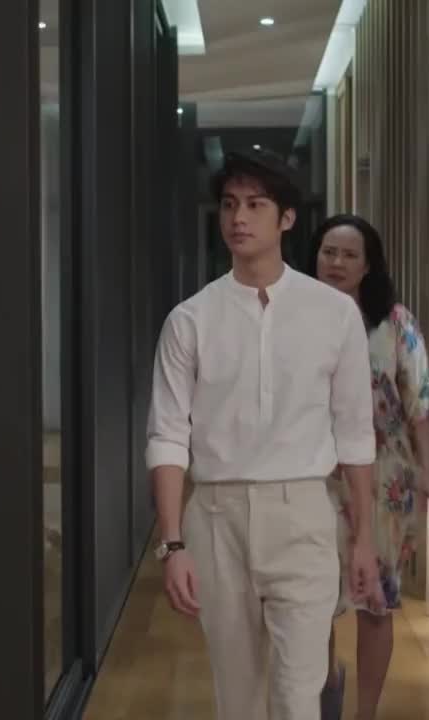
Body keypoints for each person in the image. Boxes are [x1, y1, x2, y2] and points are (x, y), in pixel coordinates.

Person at [145, 149, 384, 720]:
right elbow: (167, 436)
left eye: (255, 205)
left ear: (287, 218)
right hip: (216, 519)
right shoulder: (190, 320)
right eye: (230, 205)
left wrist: (364, 538)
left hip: (303, 514)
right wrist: (172, 544)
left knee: (299, 695)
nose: (239, 218)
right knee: (239, 699)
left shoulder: (334, 315)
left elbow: (355, 434)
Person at [310, 214, 429, 720]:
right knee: (313, 598)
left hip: (386, 479)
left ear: (368, 265)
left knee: (376, 601)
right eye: (329, 252)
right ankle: (325, 687)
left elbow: (419, 405)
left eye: (349, 255)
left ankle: (364, 713)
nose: (337, 262)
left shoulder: (394, 323)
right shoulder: (294, 314)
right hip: (314, 474)